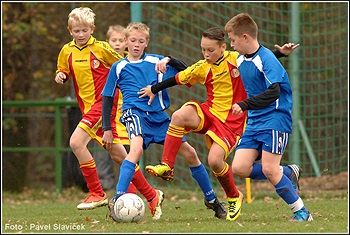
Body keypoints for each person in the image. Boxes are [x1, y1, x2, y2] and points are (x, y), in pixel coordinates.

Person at [139, 27, 301, 221]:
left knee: (215, 161)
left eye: (211, 50)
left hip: (232, 121)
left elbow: (258, 60)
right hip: (210, 112)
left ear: (223, 47)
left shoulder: (236, 59)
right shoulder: (202, 67)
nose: (206, 54)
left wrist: (279, 53)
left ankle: (234, 195)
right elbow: (178, 78)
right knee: (179, 115)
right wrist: (154, 88)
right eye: (203, 50)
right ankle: (167, 165)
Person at [101, 22, 228, 221]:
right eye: (132, 40)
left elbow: (188, 71)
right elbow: (107, 98)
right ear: (126, 42)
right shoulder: (119, 67)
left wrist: (169, 60)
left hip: (160, 118)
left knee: (191, 154)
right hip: (135, 115)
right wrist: (107, 128)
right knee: (135, 151)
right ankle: (117, 199)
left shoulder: (156, 61)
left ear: (147, 43)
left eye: (141, 41)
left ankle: (212, 199)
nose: (136, 44)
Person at [54, 8, 162, 221]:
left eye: (85, 30)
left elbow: (125, 63)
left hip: (102, 106)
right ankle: (152, 195)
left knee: (76, 142)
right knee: (120, 156)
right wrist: (61, 75)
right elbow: (63, 70)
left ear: (92, 29)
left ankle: (96, 192)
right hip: (87, 108)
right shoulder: (67, 51)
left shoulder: (102, 48)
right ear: (70, 31)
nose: (81, 34)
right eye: (77, 30)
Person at [224, 13, 313, 222]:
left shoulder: (268, 59)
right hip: (255, 120)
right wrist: (280, 52)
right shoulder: (241, 57)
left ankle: (302, 212)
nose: (231, 44)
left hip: (275, 118)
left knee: (269, 169)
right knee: (239, 167)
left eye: (233, 40)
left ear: (245, 37)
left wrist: (244, 105)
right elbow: (257, 60)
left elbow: (274, 92)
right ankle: (288, 172)